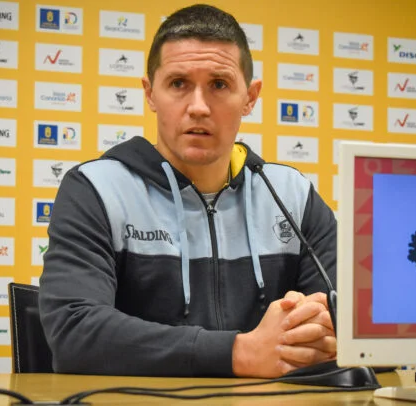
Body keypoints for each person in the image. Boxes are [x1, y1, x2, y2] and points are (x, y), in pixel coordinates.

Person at [39, 3, 338, 378]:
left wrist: (322, 334)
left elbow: (354, 324)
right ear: (150, 93)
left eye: (219, 85)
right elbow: (74, 332)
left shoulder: (292, 195)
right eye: (178, 83)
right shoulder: (97, 189)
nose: (198, 107)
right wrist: (239, 353)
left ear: (250, 97)